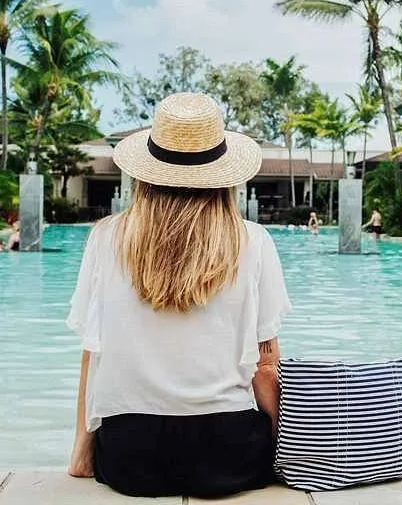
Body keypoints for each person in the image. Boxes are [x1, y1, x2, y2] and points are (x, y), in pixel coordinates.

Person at [66, 93, 291, 499]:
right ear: (224, 177)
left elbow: (92, 353)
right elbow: (266, 364)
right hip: (228, 455)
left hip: (129, 458)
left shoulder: (105, 238)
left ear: (145, 175)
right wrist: (285, 452)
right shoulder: (254, 241)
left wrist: (81, 454)